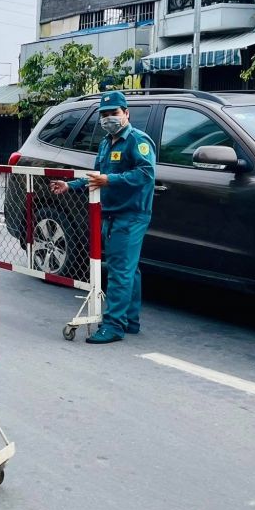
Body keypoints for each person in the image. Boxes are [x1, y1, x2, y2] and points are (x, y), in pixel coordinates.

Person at [50, 90, 155, 345]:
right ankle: (130, 320)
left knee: (120, 270)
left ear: (126, 113)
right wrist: (71, 185)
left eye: (114, 113)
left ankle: (114, 325)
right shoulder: (107, 142)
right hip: (111, 212)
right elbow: (97, 175)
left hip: (130, 214)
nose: (109, 118)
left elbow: (146, 173)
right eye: (105, 114)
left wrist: (111, 180)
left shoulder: (138, 141)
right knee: (130, 269)